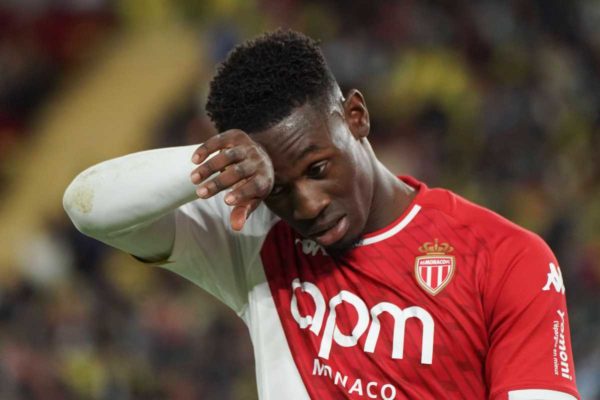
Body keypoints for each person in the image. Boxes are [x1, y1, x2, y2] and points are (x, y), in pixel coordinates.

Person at [63, 30, 581, 400]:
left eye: (318, 168)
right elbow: (88, 206)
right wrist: (210, 163)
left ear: (355, 116)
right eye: (279, 188)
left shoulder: (506, 258)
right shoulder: (254, 238)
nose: (307, 205)